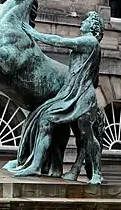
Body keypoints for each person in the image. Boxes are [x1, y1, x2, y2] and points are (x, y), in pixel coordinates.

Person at [13, 11, 104, 184]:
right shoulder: (90, 45)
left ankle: (97, 173)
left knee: (88, 134)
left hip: (82, 95)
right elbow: (95, 76)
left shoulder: (90, 41)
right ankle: (35, 165)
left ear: (92, 26)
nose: (81, 23)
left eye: (85, 21)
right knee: (46, 119)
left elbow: (60, 42)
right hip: (71, 92)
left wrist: (34, 34)